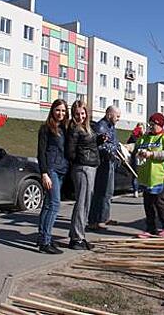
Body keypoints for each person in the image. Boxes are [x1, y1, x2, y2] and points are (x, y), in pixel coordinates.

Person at [66, 100, 104, 250]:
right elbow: (70, 152)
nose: (80, 116)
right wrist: (80, 159)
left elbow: (90, 145)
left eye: (82, 113)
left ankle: (78, 235)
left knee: (86, 202)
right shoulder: (75, 129)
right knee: (82, 203)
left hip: (91, 166)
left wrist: (99, 140)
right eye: (77, 114)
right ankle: (77, 238)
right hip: (83, 168)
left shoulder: (87, 127)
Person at [37, 99, 69, 254]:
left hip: (62, 170)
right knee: (54, 204)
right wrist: (44, 173)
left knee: (48, 204)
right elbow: (41, 152)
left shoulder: (65, 128)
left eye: (63, 111)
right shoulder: (45, 129)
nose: (60, 113)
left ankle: (43, 237)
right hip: (51, 170)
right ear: (52, 111)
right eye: (58, 110)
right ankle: (45, 242)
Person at [135, 113, 164, 238]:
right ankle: (150, 228)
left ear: (160, 125)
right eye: (150, 124)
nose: (150, 127)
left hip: (162, 175)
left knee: (159, 201)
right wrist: (129, 148)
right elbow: (137, 146)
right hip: (147, 176)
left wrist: (151, 155)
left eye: (153, 124)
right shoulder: (145, 137)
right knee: (148, 203)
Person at [88, 106, 121, 230]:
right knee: (101, 192)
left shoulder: (111, 127)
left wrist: (119, 149)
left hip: (110, 162)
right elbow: (100, 146)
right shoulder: (101, 127)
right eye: (117, 116)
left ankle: (104, 217)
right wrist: (113, 150)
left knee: (108, 192)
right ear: (109, 115)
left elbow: (114, 142)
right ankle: (95, 220)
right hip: (103, 163)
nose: (119, 119)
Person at [127, 123, 145, 198]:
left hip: (143, 156)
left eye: (141, 128)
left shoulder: (145, 136)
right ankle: (136, 190)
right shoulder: (134, 136)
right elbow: (129, 144)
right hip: (136, 156)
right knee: (135, 174)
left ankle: (142, 190)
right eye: (139, 128)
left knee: (143, 174)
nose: (140, 130)